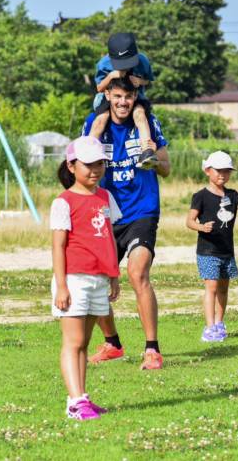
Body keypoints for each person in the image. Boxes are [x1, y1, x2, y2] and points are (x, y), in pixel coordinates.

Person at [83, 75, 171, 370]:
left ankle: (152, 350)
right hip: (106, 214)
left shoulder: (147, 123)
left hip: (142, 212)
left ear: (136, 97)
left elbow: (168, 168)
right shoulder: (94, 124)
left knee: (137, 272)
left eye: (128, 97)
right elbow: (80, 170)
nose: (123, 102)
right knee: (94, 283)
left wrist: (152, 158)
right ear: (107, 94)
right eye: (117, 96)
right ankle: (113, 343)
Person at [50, 136, 122, 419]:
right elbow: (58, 245)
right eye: (88, 164)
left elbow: (109, 238)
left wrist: (113, 274)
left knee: (84, 344)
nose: (95, 170)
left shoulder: (105, 197)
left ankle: (81, 398)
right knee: (73, 342)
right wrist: (62, 285)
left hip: (98, 279)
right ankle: (74, 402)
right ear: (71, 166)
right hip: (73, 279)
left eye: (100, 164)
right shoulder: (63, 202)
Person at [186, 151, 238, 342]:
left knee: (223, 289)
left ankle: (219, 323)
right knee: (212, 288)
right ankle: (209, 328)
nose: (222, 174)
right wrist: (201, 227)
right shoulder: (200, 196)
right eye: (218, 170)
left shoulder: (233, 195)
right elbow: (189, 221)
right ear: (208, 170)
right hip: (207, 250)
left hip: (227, 251)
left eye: (227, 171)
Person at [89, 32, 157, 169]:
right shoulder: (104, 64)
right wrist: (110, 76)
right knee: (101, 119)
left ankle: (146, 152)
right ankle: (88, 150)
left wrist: (140, 81)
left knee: (139, 114)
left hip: (134, 97)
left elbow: (148, 81)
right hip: (108, 98)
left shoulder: (142, 61)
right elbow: (99, 88)